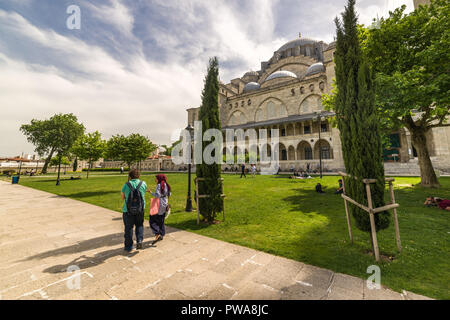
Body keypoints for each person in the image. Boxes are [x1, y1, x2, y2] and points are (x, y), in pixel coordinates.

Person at [121, 169, 147, 252]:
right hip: (140, 209)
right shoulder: (143, 183)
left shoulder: (126, 185)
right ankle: (139, 240)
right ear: (138, 175)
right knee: (139, 225)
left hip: (128, 210)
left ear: (130, 176)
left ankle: (128, 246)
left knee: (128, 228)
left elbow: (122, 197)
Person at [148, 174, 171, 241]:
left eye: (156, 178)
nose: (155, 180)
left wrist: (151, 193)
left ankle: (157, 232)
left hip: (159, 204)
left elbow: (157, 195)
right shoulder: (166, 185)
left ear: (159, 179)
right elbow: (169, 194)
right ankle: (161, 233)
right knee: (161, 219)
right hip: (165, 202)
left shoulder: (159, 185)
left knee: (152, 220)